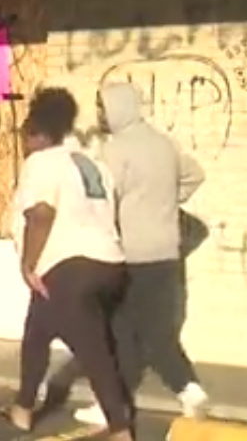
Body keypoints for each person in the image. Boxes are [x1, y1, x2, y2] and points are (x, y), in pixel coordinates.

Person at [73, 84, 209, 427]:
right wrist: (165, 200)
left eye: (103, 108)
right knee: (155, 331)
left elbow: (104, 198)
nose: (101, 116)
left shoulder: (116, 150)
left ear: (118, 109)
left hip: (130, 255)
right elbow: (195, 174)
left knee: (121, 332)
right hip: (164, 254)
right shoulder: (164, 144)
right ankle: (188, 389)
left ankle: (117, 405)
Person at [8, 87, 131, 441]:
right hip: (110, 265)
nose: (24, 144)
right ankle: (22, 410)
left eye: (26, 136)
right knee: (37, 332)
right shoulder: (92, 163)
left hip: (69, 267)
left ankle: (121, 430)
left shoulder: (41, 162)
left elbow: (40, 214)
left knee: (93, 351)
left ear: (39, 133)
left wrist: (28, 265)